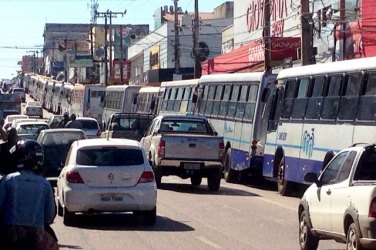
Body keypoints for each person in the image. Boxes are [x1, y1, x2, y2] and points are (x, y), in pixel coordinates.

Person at [0, 139, 58, 250]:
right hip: (36, 235)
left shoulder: (8, 180)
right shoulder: (45, 183)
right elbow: (49, 216)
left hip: (9, 234)